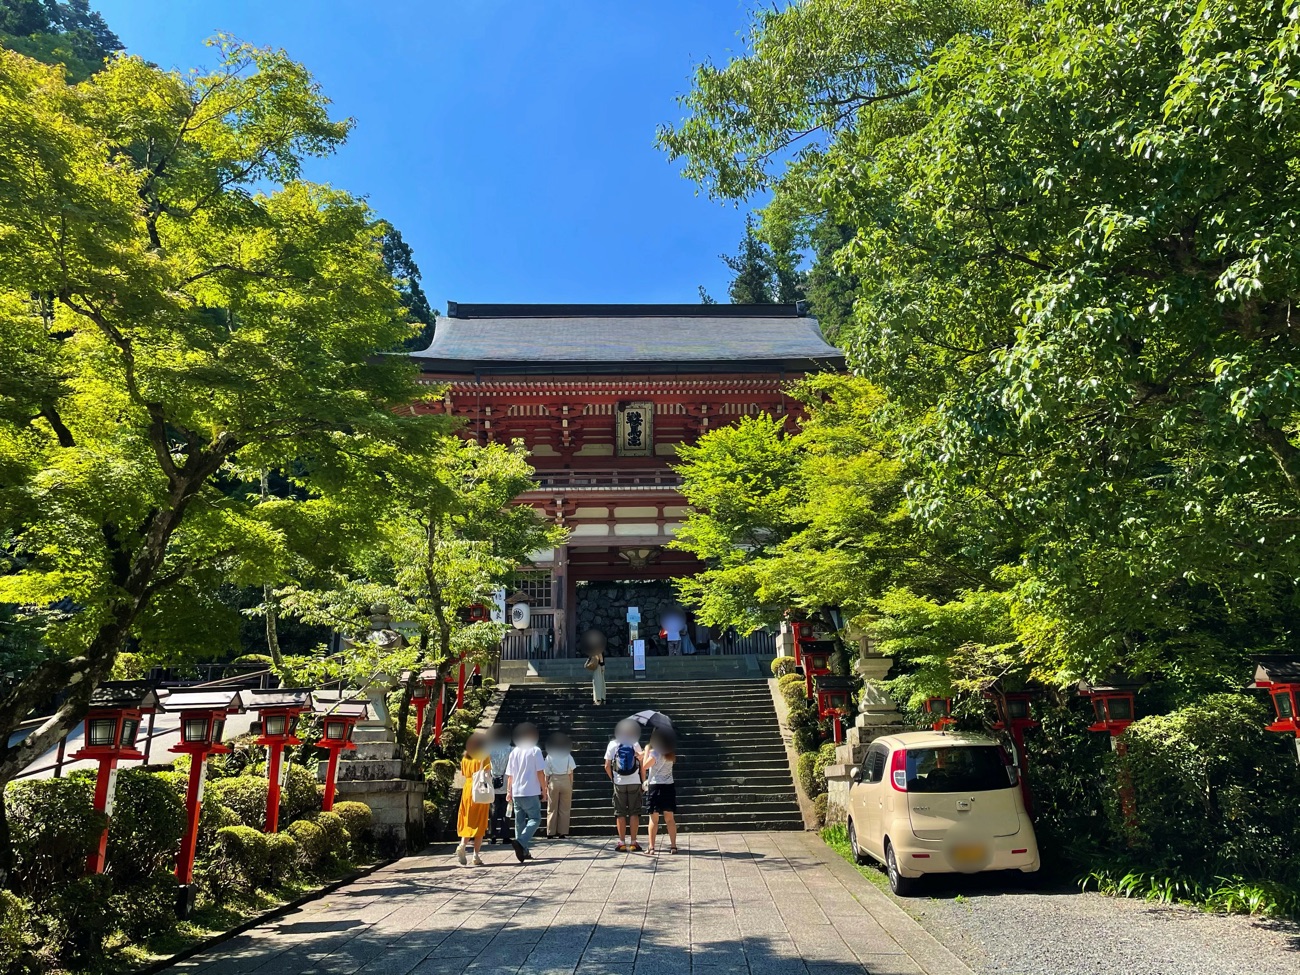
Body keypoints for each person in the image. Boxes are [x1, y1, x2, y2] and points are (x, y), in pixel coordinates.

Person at [505, 721, 547, 863]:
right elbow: (540, 772)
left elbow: (510, 775)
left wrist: (508, 791)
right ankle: (521, 842)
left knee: (519, 822)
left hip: (516, 791)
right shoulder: (535, 751)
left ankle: (524, 851)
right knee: (535, 819)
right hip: (530, 790)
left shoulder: (514, 752)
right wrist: (544, 789)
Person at [604, 718, 644, 852]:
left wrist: (613, 779)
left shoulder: (612, 744)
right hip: (634, 781)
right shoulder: (634, 743)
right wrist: (643, 780)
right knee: (634, 812)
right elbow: (642, 763)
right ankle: (633, 842)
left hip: (619, 782)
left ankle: (621, 842)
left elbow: (606, 766)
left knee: (620, 813)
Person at [454, 731, 492, 866]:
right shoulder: (484, 755)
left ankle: (463, 845)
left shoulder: (465, 757)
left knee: (467, 819)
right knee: (480, 821)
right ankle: (476, 855)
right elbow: (487, 772)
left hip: (468, 788)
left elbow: (464, 774)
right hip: (480, 789)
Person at [642, 728, 678, 855]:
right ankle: (673, 846)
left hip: (656, 786)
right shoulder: (670, 752)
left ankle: (651, 847)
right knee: (670, 818)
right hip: (668, 785)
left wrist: (646, 750)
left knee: (653, 818)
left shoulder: (655, 752)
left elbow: (645, 765)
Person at [544, 732, 576, 839]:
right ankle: (562, 832)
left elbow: (546, 773)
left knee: (552, 807)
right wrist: (570, 784)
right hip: (565, 779)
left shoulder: (550, 756)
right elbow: (571, 772)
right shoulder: (567, 755)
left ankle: (550, 831)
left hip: (553, 780)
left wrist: (545, 786)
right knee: (565, 808)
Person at [486, 723, 514, 845]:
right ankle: (505, 835)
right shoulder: (511, 750)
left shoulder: (489, 749)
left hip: (493, 782)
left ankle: (492, 835)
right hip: (507, 782)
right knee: (506, 811)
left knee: (493, 810)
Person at [582, 628, 607, 705]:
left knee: (597, 682)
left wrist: (602, 665)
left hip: (598, 666)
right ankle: (603, 698)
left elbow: (599, 656)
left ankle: (598, 699)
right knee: (601, 682)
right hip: (600, 665)